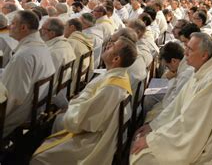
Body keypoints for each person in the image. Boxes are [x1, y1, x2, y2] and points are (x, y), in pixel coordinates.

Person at [130, 33, 212, 164]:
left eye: (190, 50)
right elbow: (177, 105)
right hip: (190, 134)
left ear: (204, 55)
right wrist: (153, 126)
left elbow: (191, 123)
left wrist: (152, 140)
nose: (185, 53)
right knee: (140, 143)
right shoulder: (201, 71)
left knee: (140, 156)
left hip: (203, 147)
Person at [31, 36, 137, 164]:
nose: (108, 45)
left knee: (39, 157)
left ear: (116, 59)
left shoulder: (112, 87)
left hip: (91, 142)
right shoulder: (117, 75)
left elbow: (83, 121)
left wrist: (70, 107)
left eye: (113, 46)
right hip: (93, 130)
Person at [1, 10, 56, 137]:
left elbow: (13, 97)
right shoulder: (41, 46)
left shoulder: (23, 55)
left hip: (19, 114)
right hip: (35, 107)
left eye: (13, 23)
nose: (9, 26)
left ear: (23, 27)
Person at [144, 41, 194, 121]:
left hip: (178, 112)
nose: (168, 69)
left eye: (167, 66)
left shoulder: (186, 74)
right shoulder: (183, 65)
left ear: (174, 61)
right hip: (174, 103)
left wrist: (172, 79)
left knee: (150, 103)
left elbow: (174, 102)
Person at [40, 18, 76, 90]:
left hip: (47, 92)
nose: (40, 31)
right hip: (59, 88)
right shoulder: (66, 44)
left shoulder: (51, 52)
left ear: (52, 33)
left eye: (43, 28)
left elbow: (41, 81)